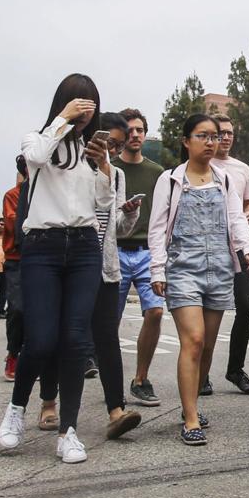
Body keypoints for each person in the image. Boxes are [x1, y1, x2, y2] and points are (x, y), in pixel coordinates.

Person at [0, 74, 114, 464]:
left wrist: (104, 164)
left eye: (90, 104)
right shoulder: (38, 137)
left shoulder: (91, 149)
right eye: (78, 102)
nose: (85, 111)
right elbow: (35, 159)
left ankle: (69, 431)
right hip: (43, 248)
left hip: (83, 248)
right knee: (41, 339)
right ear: (64, 103)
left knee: (77, 341)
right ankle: (16, 409)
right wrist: (62, 118)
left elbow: (102, 200)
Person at [149, 114, 249, 445]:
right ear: (186, 142)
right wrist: (158, 268)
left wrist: (247, 246)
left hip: (220, 270)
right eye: (203, 136)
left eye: (215, 136)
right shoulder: (170, 180)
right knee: (193, 340)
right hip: (184, 270)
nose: (211, 142)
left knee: (207, 346)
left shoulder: (224, 179)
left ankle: (191, 402)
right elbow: (157, 228)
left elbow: (236, 218)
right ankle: (191, 418)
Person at [87, 111, 145, 438]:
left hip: (106, 267)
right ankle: (49, 403)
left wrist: (131, 212)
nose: (112, 149)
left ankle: (116, 411)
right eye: (109, 142)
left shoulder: (118, 175)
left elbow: (120, 229)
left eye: (117, 145)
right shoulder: (74, 169)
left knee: (107, 338)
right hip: (72, 266)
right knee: (62, 337)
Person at [112, 109, 167, 407]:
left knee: (156, 312)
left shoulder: (157, 173)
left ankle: (141, 379)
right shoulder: (109, 169)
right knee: (110, 321)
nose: (135, 135)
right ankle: (111, 381)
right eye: (130, 130)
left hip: (148, 251)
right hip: (114, 251)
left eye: (140, 130)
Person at [210, 114, 249, 394]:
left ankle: (235, 369)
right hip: (211, 248)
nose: (225, 137)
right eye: (220, 133)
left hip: (239, 247)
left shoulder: (241, 169)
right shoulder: (201, 165)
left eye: (229, 133)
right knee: (208, 311)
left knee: (247, 307)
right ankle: (201, 373)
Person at [0, 157, 27, 382]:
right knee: (17, 308)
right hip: (17, 258)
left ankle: (35, 355)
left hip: (44, 256)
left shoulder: (48, 192)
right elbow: (12, 223)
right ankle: (13, 354)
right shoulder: (13, 195)